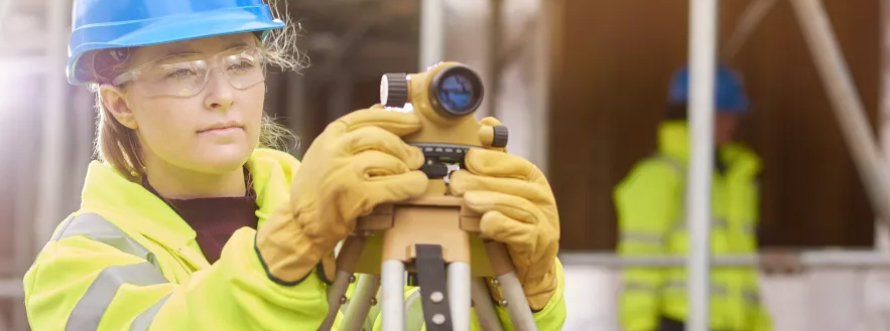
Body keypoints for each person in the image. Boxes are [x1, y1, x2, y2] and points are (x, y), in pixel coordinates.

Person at [23, 0, 566, 330]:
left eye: (240, 63)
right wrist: (289, 247)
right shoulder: (77, 263)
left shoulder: (340, 214)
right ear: (119, 102)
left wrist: (520, 285)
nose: (221, 96)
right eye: (181, 72)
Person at [614, 65, 772, 331]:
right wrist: (639, 326)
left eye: (732, 114)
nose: (732, 122)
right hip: (677, 322)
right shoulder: (658, 177)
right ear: (694, 112)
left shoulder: (735, 179)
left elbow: (743, 268)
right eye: (722, 113)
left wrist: (758, 325)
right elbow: (640, 266)